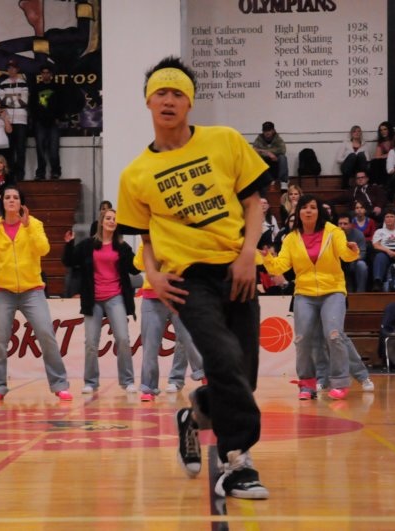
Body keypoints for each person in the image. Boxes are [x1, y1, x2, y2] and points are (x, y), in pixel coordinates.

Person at [116, 56, 268, 499]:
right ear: (148, 102)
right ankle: (237, 462)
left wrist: (248, 254)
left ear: (190, 102)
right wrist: (152, 276)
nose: (169, 100)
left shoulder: (225, 141)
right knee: (222, 356)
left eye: (178, 93)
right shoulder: (135, 174)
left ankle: (197, 413)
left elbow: (254, 203)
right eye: (161, 93)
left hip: (236, 267)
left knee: (242, 377)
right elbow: (145, 239)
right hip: (187, 279)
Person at [0, 184, 72, 402]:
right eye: (7, 197)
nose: (11, 200)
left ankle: (59, 384)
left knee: (46, 334)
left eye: (15, 197)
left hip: (32, 290)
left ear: (21, 202)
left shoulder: (34, 223)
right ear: (2, 202)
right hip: (2, 290)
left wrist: (27, 228)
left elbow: (44, 249)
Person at [265, 194, 361, 399]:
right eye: (304, 207)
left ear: (319, 212)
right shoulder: (291, 238)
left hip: (333, 291)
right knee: (302, 339)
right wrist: (267, 259)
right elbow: (281, 266)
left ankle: (340, 381)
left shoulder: (333, 232)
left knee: (334, 335)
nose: (308, 211)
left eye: (313, 207)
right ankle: (307, 384)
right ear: (298, 212)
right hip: (304, 294)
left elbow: (345, 255)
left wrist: (352, 251)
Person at [62, 208, 138, 394]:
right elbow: (69, 261)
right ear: (102, 222)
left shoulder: (122, 247)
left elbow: (135, 269)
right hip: (93, 299)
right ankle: (91, 382)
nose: (111, 221)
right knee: (91, 343)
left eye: (114, 219)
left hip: (116, 296)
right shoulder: (88, 245)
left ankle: (127, 381)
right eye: (108, 218)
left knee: (123, 339)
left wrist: (145, 251)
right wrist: (69, 244)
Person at [133, 243, 205, 399]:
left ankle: (199, 375)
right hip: (151, 297)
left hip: (178, 292)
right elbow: (138, 264)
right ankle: (148, 388)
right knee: (150, 345)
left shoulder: (176, 237)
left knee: (187, 338)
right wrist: (145, 244)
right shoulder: (147, 241)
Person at [31, 65, 65, 180]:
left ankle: (55, 171)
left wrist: (59, 117)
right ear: (41, 74)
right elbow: (32, 105)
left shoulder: (57, 87)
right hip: (40, 122)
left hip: (53, 122)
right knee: (40, 149)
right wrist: (36, 118)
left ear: (51, 74)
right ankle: (40, 172)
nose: (45, 74)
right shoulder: (36, 88)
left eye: (47, 72)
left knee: (54, 149)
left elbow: (62, 104)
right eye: (43, 72)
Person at [0, 59, 29, 180]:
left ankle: (20, 174)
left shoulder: (23, 83)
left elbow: (24, 101)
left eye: (13, 67)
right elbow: (2, 101)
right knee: (9, 148)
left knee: (20, 149)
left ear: (17, 69)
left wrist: (10, 98)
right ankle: (10, 174)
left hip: (21, 120)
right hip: (7, 120)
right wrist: (16, 97)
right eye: (9, 68)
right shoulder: (3, 84)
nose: (11, 70)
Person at [336, 213, 368, 293]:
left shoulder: (358, 234)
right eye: (340, 224)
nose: (342, 226)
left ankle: (360, 293)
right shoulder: (333, 235)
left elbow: (362, 254)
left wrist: (350, 258)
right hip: (337, 262)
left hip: (353, 262)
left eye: (345, 224)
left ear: (351, 225)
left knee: (362, 265)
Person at [252, 121, 288, 189]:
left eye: (269, 130)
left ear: (273, 130)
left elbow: (282, 150)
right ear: (263, 131)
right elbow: (254, 150)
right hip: (264, 159)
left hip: (275, 159)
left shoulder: (278, 138)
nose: (267, 132)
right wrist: (268, 153)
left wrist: (266, 151)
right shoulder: (259, 139)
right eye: (265, 131)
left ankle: (283, 182)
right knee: (256, 158)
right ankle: (259, 181)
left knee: (282, 158)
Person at [370, 121, 395, 186]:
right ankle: (374, 184)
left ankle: (382, 183)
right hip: (386, 159)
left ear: (389, 130)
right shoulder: (381, 142)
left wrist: (384, 155)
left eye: (385, 129)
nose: (383, 131)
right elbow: (377, 156)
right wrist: (384, 156)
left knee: (383, 162)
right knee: (374, 162)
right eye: (381, 130)